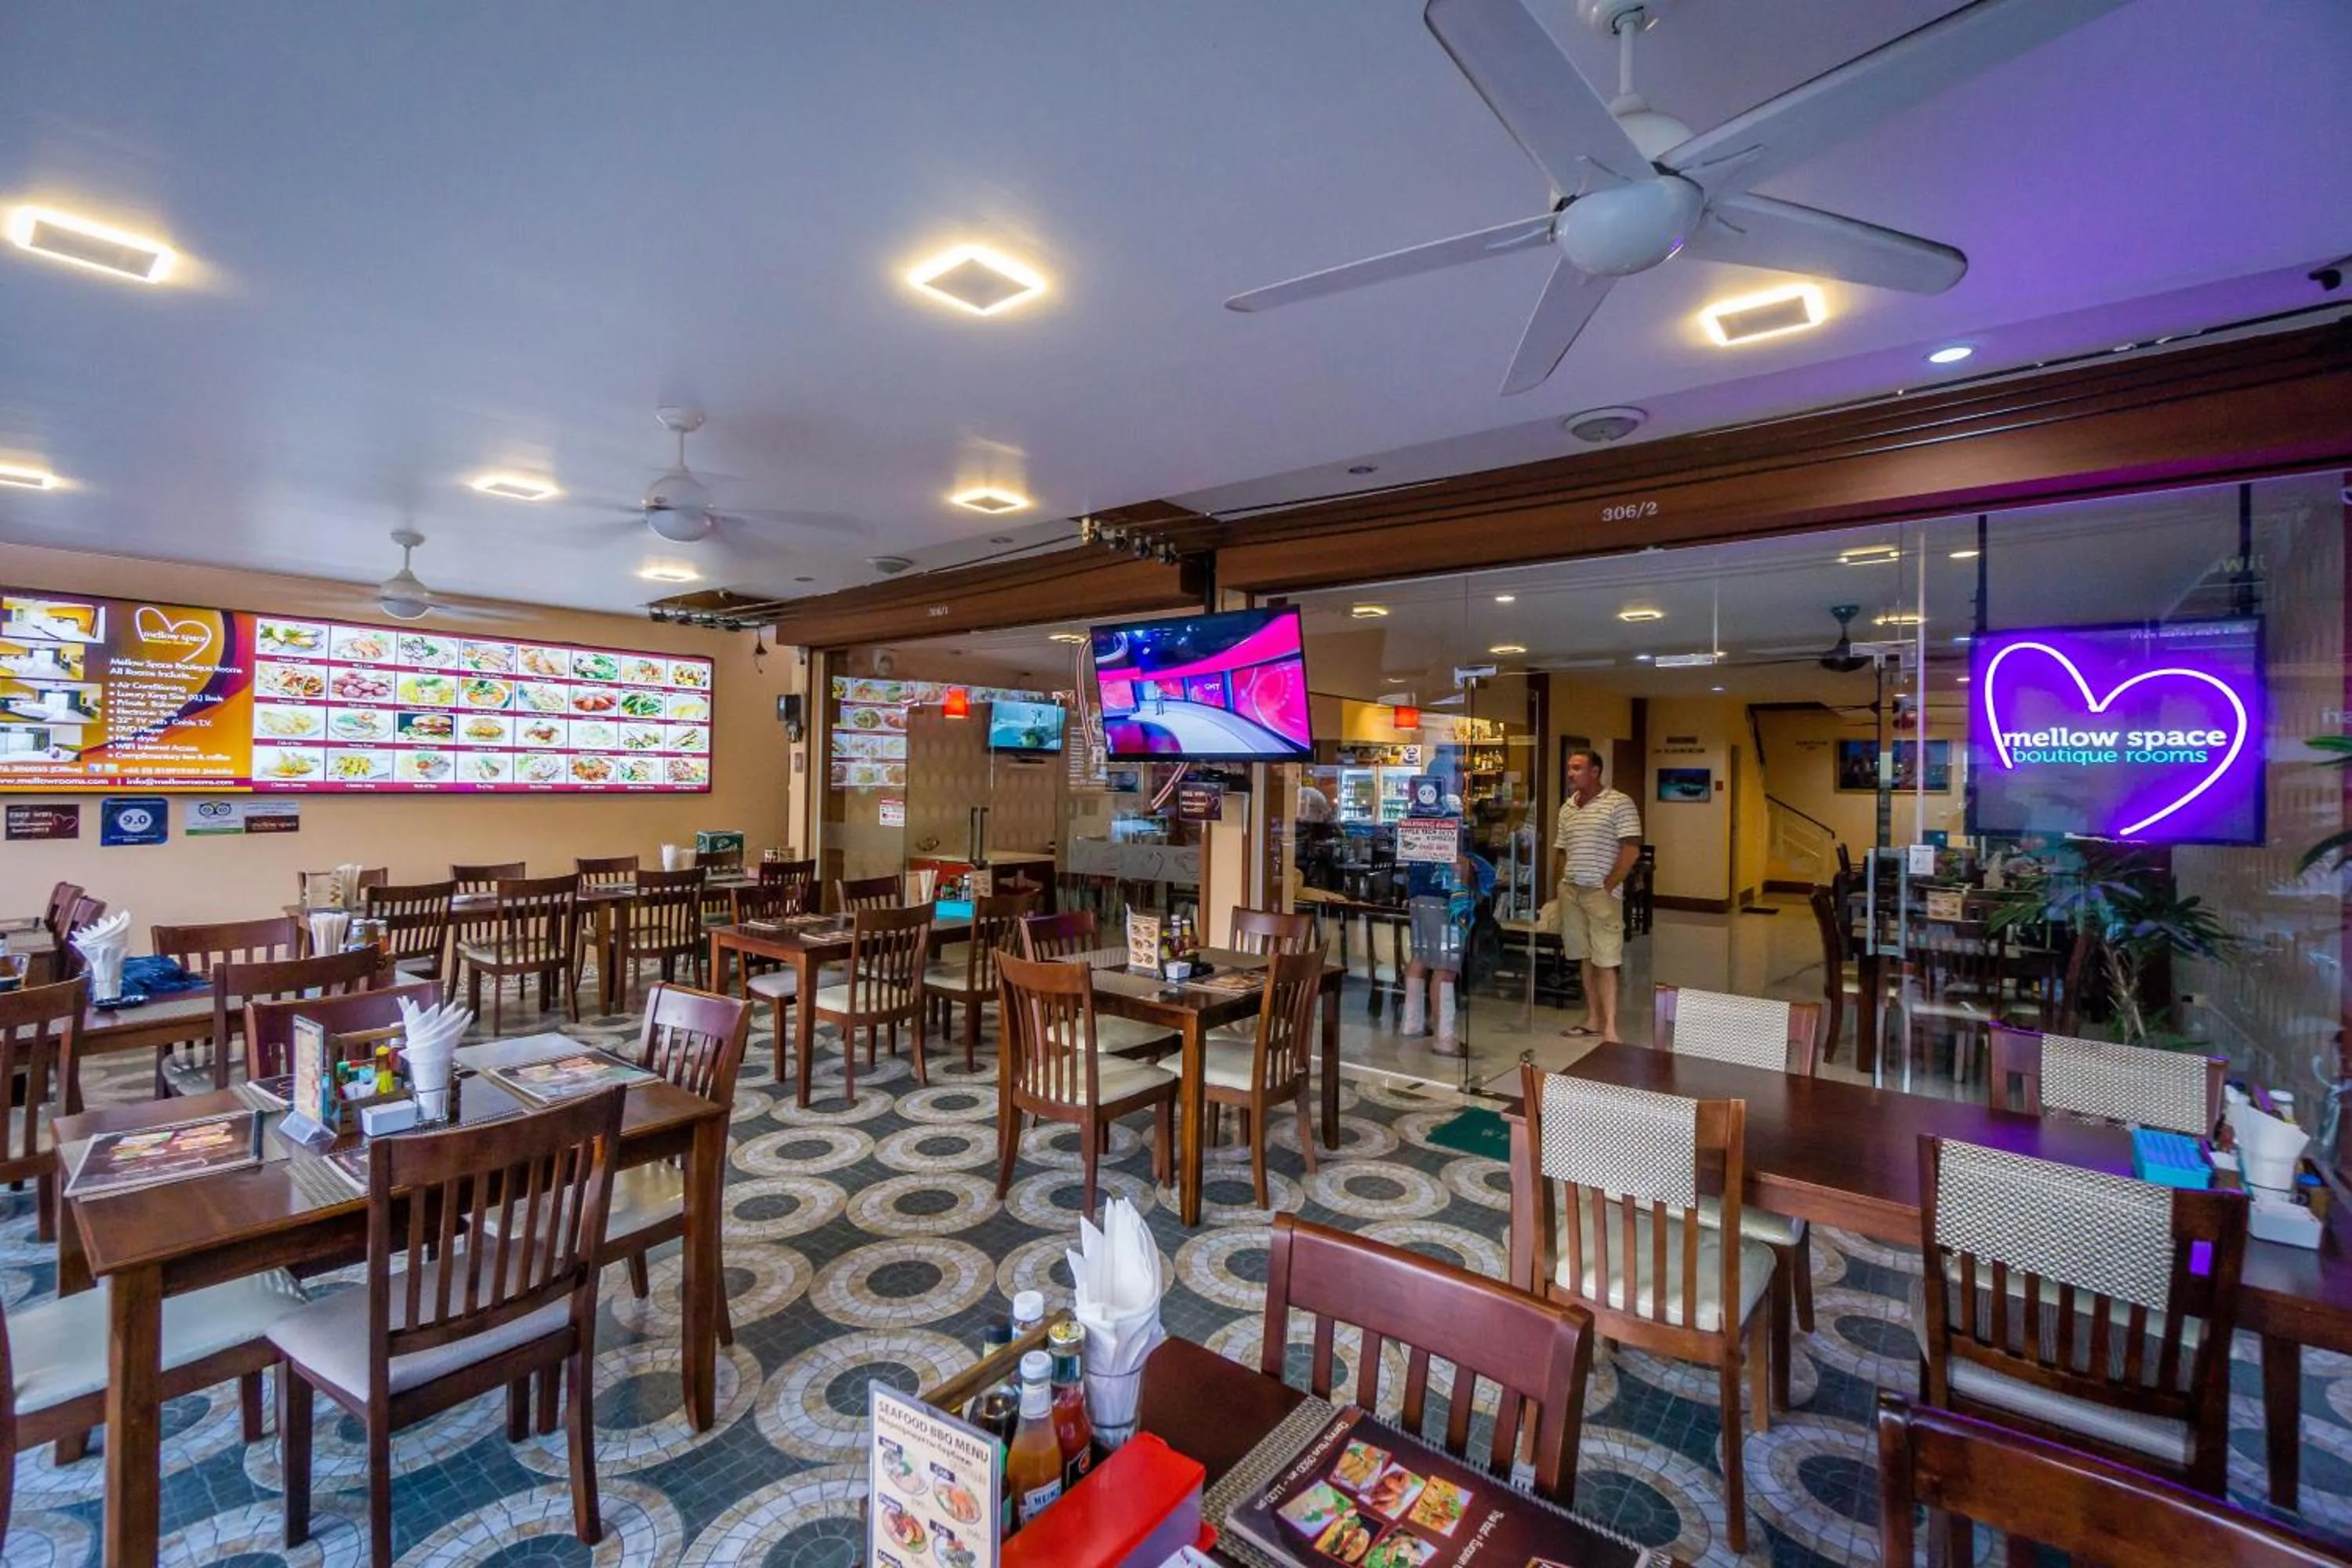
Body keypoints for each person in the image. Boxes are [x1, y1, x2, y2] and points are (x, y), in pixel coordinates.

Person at [1552, 748, 1642, 1044]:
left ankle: (1611, 1028)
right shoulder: (1568, 808)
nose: (1571, 773)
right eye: (1569, 768)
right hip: (1572, 890)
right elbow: (1562, 850)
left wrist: (1608, 885)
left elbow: (1630, 849)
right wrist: (1560, 886)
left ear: (1595, 772)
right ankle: (1592, 1018)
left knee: (1606, 958)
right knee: (1583, 956)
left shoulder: (1619, 803)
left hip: (1600, 893)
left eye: (1577, 768)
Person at [1399, 813, 1494, 1056]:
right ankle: (1445, 1038)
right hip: (1446, 902)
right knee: (1446, 967)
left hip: (1418, 898)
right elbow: (1458, 865)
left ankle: (1413, 1023)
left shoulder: (1418, 826)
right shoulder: (1446, 826)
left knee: (1420, 957)